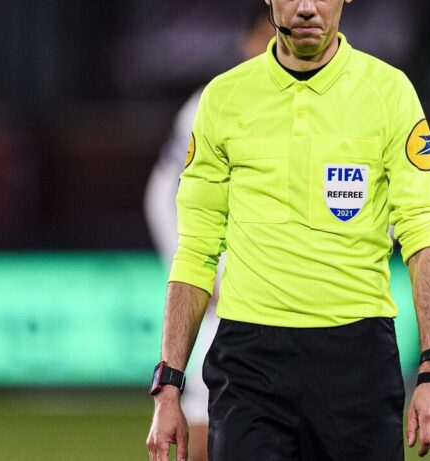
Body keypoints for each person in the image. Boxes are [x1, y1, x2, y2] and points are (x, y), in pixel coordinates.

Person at [146, 1, 430, 460]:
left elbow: (423, 235)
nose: (308, 7)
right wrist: (169, 385)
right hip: (249, 362)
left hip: (357, 360)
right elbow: (196, 250)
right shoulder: (222, 99)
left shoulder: (389, 93)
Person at [143, 8, 275, 461]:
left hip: (290, 298)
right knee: (203, 422)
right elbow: (163, 192)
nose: (271, 45)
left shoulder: (322, 106)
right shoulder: (211, 104)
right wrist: (201, 275)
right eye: (264, 34)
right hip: (227, 293)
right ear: (245, 42)